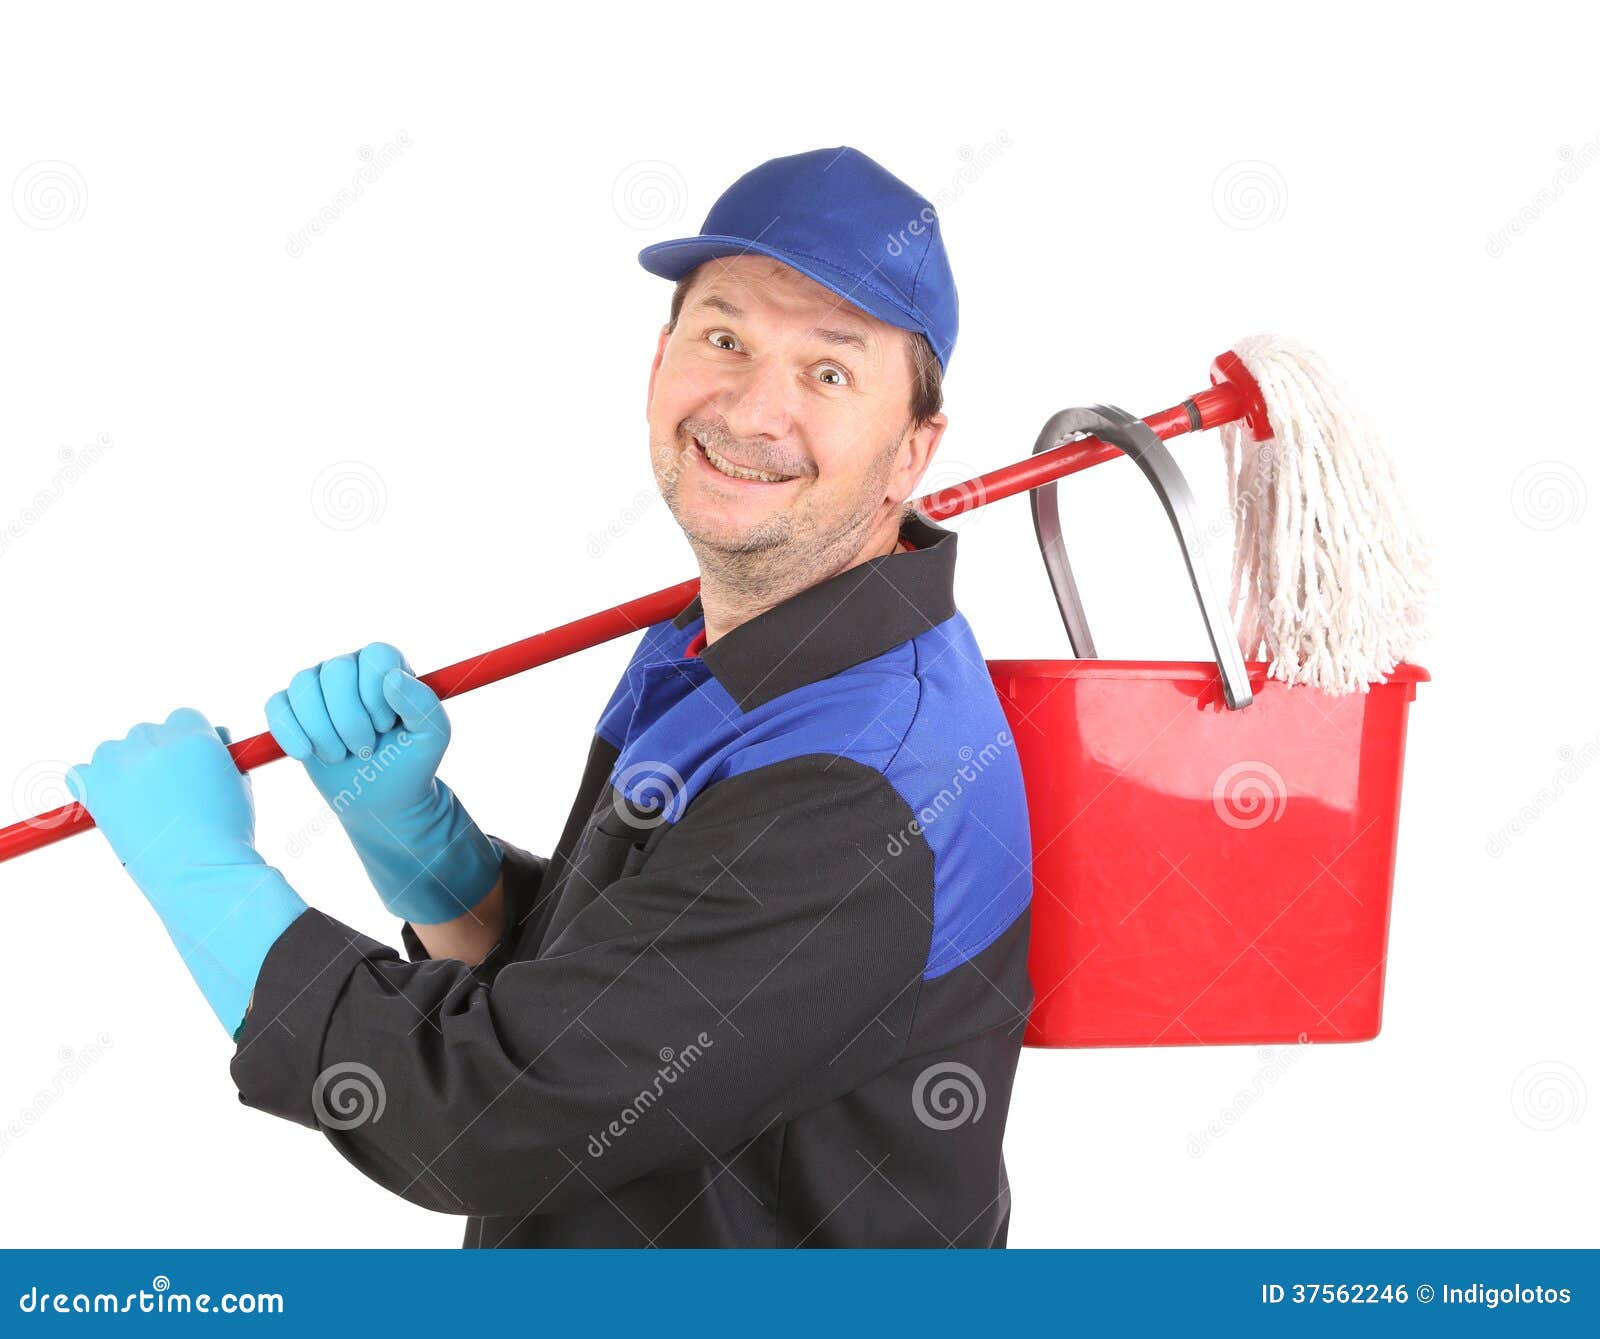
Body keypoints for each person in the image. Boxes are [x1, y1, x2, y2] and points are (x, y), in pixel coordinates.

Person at [66, 145, 1035, 1248]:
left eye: (829, 372)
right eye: (724, 339)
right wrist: (429, 853)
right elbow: (616, 994)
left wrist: (207, 879)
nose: (753, 409)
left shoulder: (860, 782)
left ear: (914, 449)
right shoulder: (725, 649)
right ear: (660, 358)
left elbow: (484, 1115)